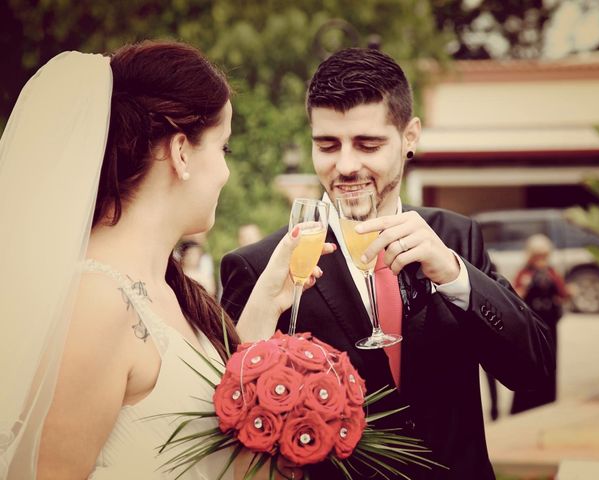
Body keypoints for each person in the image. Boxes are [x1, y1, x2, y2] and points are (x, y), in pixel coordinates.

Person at [221, 48, 555, 480]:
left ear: (410, 136)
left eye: (368, 144)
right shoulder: (261, 266)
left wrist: (456, 276)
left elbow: (535, 370)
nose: (345, 166)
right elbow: (229, 423)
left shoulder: (456, 238)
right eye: (327, 145)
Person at [0, 41, 329, 479]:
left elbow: (202, 424)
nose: (226, 172)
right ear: (180, 152)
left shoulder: (168, 290)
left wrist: (267, 299)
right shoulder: (97, 302)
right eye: (224, 148)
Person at [511, 234, 568, 415]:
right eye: (538, 255)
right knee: (530, 360)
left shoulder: (551, 272)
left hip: (550, 323)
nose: (541, 260)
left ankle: (547, 397)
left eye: (544, 255)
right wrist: (526, 287)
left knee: (550, 359)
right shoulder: (525, 272)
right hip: (531, 324)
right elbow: (514, 296)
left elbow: (563, 293)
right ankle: (526, 402)